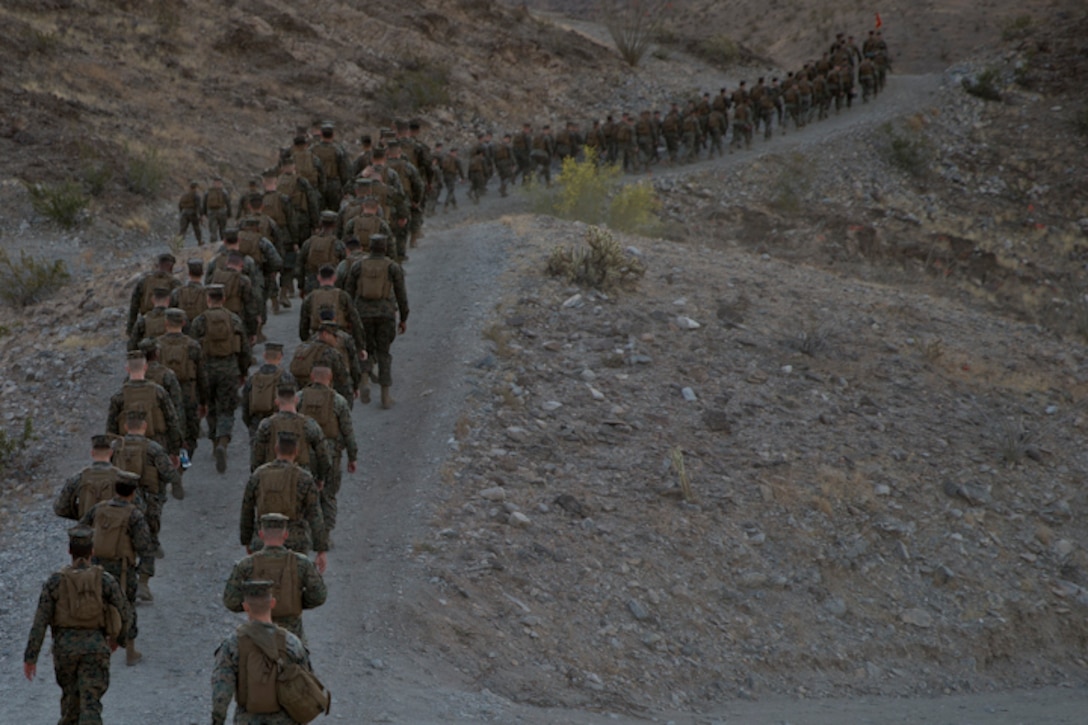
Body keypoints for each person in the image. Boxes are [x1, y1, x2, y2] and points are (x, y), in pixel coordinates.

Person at [24, 525, 132, 725]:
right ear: (92, 551)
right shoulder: (105, 580)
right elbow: (125, 612)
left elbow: (40, 621)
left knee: (70, 704)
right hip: (96, 648)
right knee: (91, 705)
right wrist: (119, 639)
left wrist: (31, 657)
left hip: (65, 650)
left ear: (69, 551)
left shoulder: (55, 581)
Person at [210, 579, 316, 725]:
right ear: (272, 603)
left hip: (247, 719)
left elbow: (222, 688)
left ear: (245, 606)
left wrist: (218, 719)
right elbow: (307, 684)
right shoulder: (292, 642)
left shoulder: (232, 644)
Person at [79, 474, 153, 666]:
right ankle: (130, 651)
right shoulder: (134, 515)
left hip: (96, 565)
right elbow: (145, 546)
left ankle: (96, 649)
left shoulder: (99, 508)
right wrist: (145, 574)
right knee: (127, 607)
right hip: (122, 569)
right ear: (133, 493)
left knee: (97, 604)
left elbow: (81, 528)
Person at [223, 513, 327, 643]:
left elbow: (230, 601)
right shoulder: (301, 563)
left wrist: (254, 604)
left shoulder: (246, 565)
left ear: (261, 535)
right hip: (292, 634)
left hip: (257, 633)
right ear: (285, 535)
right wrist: (296, 601)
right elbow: (319, 596)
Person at [114, 409, 181, 601]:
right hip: (150, 502)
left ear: (126, 426)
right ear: (145, 426)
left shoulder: (116, 446)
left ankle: (122, 581)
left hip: (121, 501)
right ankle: (143, 582)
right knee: (148, 542)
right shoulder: (153, 448)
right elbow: (170, 474)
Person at [191, 284, 252, 473]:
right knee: (227, 408)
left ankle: (214, 441)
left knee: (210, 406)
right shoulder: (233, 319)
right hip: (229, 369)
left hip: (207, 370)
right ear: (223, 299)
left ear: (208, 299)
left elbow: (192, 351)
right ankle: (223, 443)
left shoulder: (199, 321)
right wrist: (243, 372)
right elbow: (244, 350)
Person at [344, 234, 408, 409]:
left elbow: (347, 294)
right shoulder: (392, 267)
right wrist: (403, 318)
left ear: (369, 248)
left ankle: (364, 380)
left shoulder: (358, 265)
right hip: (385, 314)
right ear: (385, 248)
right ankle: (385, 396)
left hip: (362, 313)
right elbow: (401, 295)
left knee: (364, 348)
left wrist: (349, 317)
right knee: (384, 353)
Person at [240, 430, 328, 556]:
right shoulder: (304, 478)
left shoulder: (258, 475)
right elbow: (315, 515)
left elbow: (246, 510)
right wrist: (321, 550)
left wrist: (247, 541)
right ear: (296, 452)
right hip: (295, 543)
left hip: (264, 540)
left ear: (276, 449)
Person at [298, 365, 356, 537]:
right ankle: (325, 534)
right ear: (330, 379)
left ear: (311, 376)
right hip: (331, 453)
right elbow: (347, 431)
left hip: (304, 453)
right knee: (329, 493)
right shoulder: (338, 400)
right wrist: (353, 457)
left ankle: (306, 531)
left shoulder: (299, 397)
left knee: (305, 492)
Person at [105, 350, 182, 460]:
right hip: (158, 444)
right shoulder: (159, 392)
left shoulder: (119, 395)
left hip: (127, 450)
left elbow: (111, 429)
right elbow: (172, 420)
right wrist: (175, 450)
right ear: (145, 367)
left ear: (127, 369)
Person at [249, 385, 330, 483]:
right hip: (301, 477)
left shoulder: (267, 424)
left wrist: (258, 475)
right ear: (296, 400)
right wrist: (320, 477)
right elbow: (323, 454)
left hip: (273, 477)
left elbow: (257, 455)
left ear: (277, 402)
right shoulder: (309, 424)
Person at [157, 307, 208, 458]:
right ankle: (182, 465)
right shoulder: (193, 345)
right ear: (184, 323)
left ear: (166, 323)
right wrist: (204, 401)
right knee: (189, 437)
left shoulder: (157, 346)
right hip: (188, 395)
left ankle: (169, 461)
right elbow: (201, 376)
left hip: (163, 394)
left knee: (165, 432)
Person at [54, 436, 129, 522]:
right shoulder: (122, 477)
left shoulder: (78, 477)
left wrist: (81, 516)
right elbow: (137, 507)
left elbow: (60, 508)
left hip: (87, 530)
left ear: (92, 453)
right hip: (114, 530)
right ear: (111, 453)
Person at [241, 342, 296, 439]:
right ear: (280, 356)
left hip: (256, 422)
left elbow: (245, 404)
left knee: (257, 451)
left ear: (264, 355)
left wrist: (250, 423)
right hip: (278, 422)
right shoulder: (286, 377)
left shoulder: (253, 378)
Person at [127, 253, 180, 337]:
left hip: (146, 323)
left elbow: (134, 306)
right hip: (168, 324)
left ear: (158, 265)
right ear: (171, 266)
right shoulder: (174, 283)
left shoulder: (144, 281)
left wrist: (130, 329)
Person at [295, 211, 345, 295]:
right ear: (334, 225)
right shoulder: (338, 244)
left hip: (311, 283)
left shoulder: (309, 242)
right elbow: (344, 268)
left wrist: (301, 285)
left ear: (320, 223)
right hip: (332, 284)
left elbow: (299, 265)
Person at [171, 259, 207, 335]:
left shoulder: (177, 292)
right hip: (201, 332)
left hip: (182, 332)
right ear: (202, 273)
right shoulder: (207, 293)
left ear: (189, 273)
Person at [203, 176, 232, 244]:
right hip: (222, 212)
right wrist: (229, 214)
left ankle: (213, 246)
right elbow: (228, 203)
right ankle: (224, 245)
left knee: (213, 231)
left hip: (211, 213)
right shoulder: (224, 192)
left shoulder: (208, 192)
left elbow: (204, 203)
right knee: (223, 230)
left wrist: (204, 213)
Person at [178, 181, 204, 246]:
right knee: (196, 228)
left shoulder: (184, 195)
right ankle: (200, 241)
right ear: (196, 188)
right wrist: (201, 215)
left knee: (182, 230)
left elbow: (180, 205)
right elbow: (199, 206)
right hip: (192, 213)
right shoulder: (196, 195)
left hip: (184, 213)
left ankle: (179, 244)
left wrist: (181, 212)